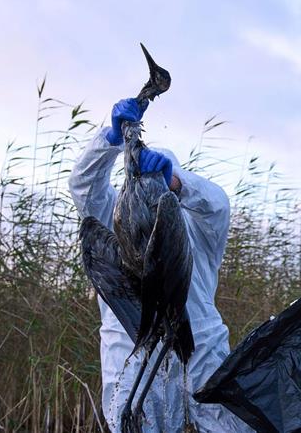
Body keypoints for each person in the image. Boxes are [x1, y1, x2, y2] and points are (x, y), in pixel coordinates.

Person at [69, 98, 248, 432]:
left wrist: (175, 181)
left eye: (161, 181)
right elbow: (83, 187)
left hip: (201, 351)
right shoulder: (115, 216)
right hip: (131, 352)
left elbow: (217, 203)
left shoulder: (197, 226)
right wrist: (110, 140)